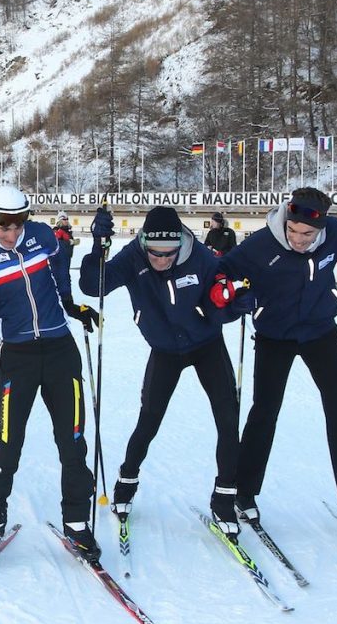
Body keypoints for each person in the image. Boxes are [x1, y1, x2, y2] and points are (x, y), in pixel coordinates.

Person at [0, 185, 101, 563]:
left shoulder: (43, 236)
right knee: (7, 446)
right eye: (3, 226)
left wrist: (68, 304)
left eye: (18, 224)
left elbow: (59, 269)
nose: (11, 234)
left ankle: (77, 524)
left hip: (61, 351)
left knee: (73, 443)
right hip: (18, 356)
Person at [217, 187, 337, 535]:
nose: (298, 239)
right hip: (275, 336)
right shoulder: (261, 245)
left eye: (307, 234)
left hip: (321, 332)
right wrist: (234, 291)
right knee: (264, 412)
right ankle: (244, 492)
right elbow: (221, 271)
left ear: (321, 227)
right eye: (293, 230)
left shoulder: (334, 231)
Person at [79, 206, 242, 535]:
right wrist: (98, 246)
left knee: (227, 418)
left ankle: (224, 498)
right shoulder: (133, 257)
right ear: (144, 243)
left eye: (169, 254)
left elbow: (224, 304)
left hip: (206, 343)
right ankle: (126, 482)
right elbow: (93, 286)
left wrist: (235, 303)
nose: (162, 260)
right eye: (155, 253)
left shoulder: (201, 258)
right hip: (165, 349)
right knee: (149, 419)